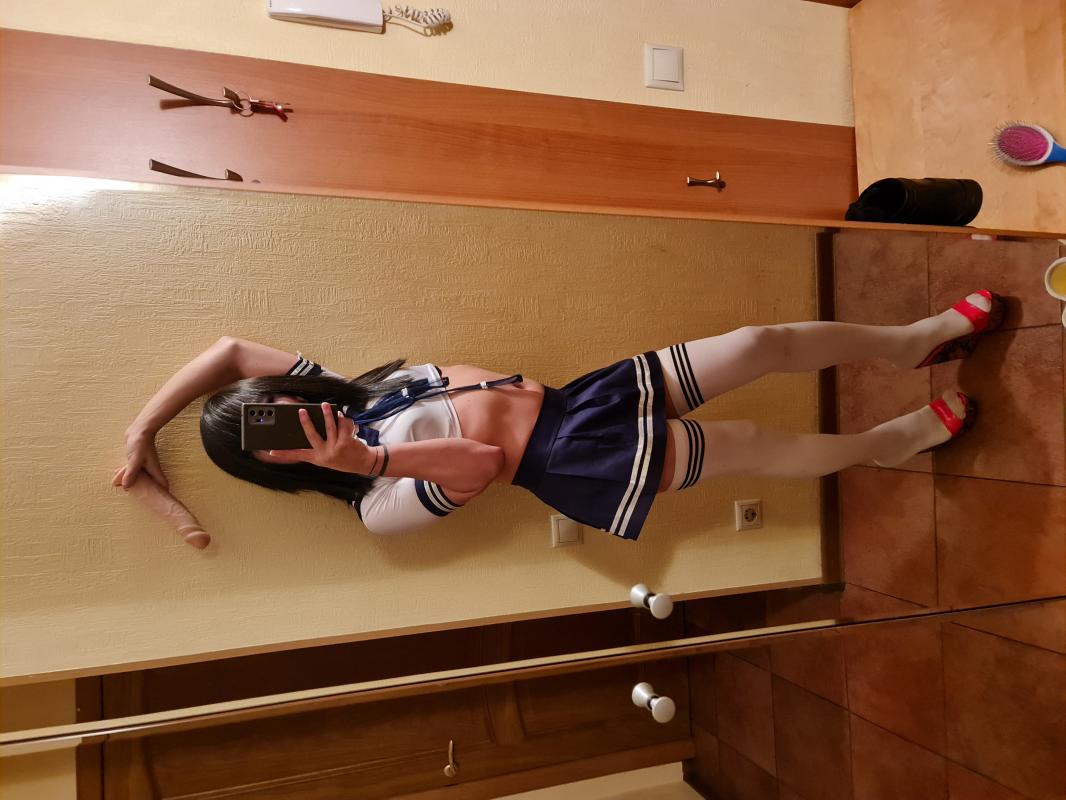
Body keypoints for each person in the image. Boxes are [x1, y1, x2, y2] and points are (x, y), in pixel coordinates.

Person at [115, 291, 1001, 542]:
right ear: (272, 465)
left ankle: (912, 342)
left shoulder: (364, 391)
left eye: (273, 409)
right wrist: (365, 464)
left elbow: (230, 350)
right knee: (756, 446)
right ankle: (887, 443)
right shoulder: (374, 506)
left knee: (758, 341)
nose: (286, 418)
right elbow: (479, 470)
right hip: (575, 459)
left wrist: (143, 431)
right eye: (268, 435)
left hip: (585, 397)